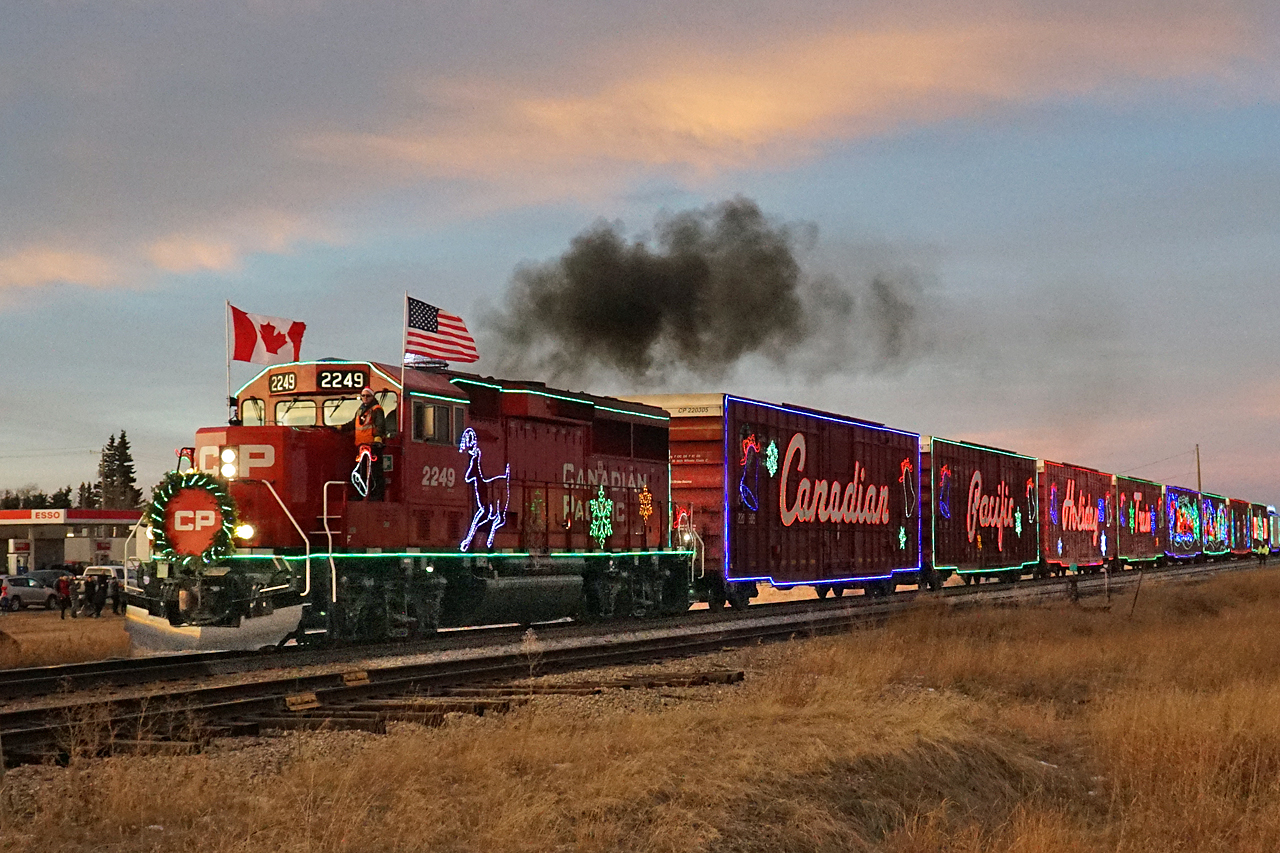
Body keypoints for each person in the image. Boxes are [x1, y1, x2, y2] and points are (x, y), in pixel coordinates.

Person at [339, 386, 386, 501]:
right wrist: (340, 427)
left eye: (368, 396)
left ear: (372, 397)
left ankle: (376, 495)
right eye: (363, 396)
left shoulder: (377, 409)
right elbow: (353, 424)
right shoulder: (360, 410)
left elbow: (380, 425)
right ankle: (363, 493)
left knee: (374, 471)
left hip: (372, 446)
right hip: (361, 446)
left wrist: (378, 439)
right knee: (362, 471)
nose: (365, 398)